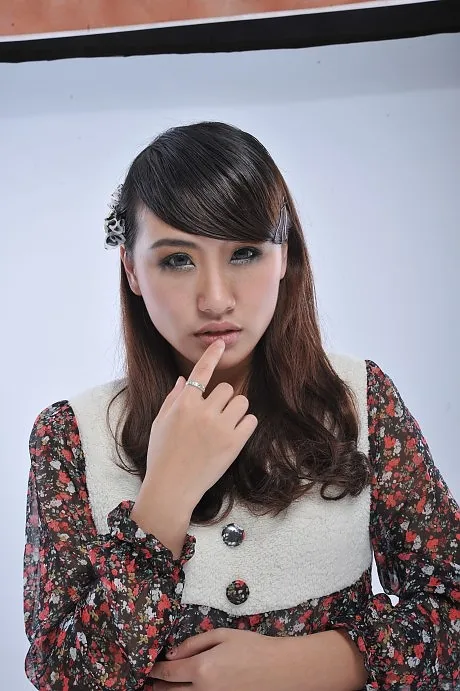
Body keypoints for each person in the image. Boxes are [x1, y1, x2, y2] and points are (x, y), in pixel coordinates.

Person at [23, 121, 459, 691]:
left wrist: (297, 666)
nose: (216, 299)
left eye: (245, 253)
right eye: (177, 260)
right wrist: (165, 494)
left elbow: (451, 602)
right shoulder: (72, 436)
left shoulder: (360, 399)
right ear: (131, 268)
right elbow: (62, 675)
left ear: (284, 257)